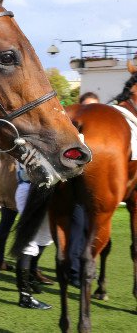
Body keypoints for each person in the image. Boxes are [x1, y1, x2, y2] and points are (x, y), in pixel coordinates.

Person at [66, 90, 99, 287]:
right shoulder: (74, 131)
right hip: (76, 188)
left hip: (94, 191)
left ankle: (84, 267)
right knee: (78, 227)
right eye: (87, 106)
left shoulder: (101, 133)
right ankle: (74, 271)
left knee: (90, 230)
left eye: (94, 106)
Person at [14, 163, 53, 310]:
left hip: (43, 191)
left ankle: (29, 275)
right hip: (30, 189)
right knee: (28, 243)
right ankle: (25, 296)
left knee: (45, 237)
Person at [0, 153, 18, 272]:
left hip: (4, 182)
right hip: (14, 183)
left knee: (4, 226)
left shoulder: (5, 146)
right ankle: (28, 265)